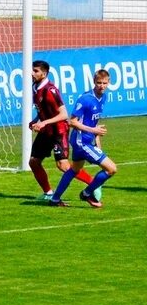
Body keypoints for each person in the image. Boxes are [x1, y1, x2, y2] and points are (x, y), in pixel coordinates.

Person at [28, 60, 98, 200]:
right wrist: (36, 120)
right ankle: (48, 193)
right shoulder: (35, 86)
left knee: (63, 165)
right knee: (34, 162)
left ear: (44, 73)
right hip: (46, 130)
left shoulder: (50, 90)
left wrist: (43, 123)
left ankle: (94, 184)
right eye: (32, 70)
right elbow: (45, 109)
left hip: (58, 131)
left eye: (35, 71)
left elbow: (63, 114)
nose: (32, 73)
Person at [49, 69, 117, 208]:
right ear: (94, 81)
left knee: (74, 170)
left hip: (86, 140)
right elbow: (72, 121)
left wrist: (97, 140)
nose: (101, 86)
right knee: (111, 169)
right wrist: (94, 131)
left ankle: (55, 199)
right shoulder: (85, 99)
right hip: (81, 142)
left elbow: (94, 121)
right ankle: (87, 193)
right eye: (99, 83)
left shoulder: (103, 97)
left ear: (109, 83)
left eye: (104, 83)